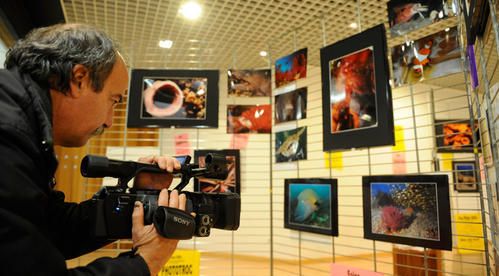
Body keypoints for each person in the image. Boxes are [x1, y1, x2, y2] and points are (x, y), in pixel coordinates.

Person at [0, 23, 187, 275]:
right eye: (114, 100)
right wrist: (145, 263)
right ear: (79, 79)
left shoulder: (17, 121)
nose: (109, 120)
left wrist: (138, 200)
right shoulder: (8, 133)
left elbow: (49, 226)